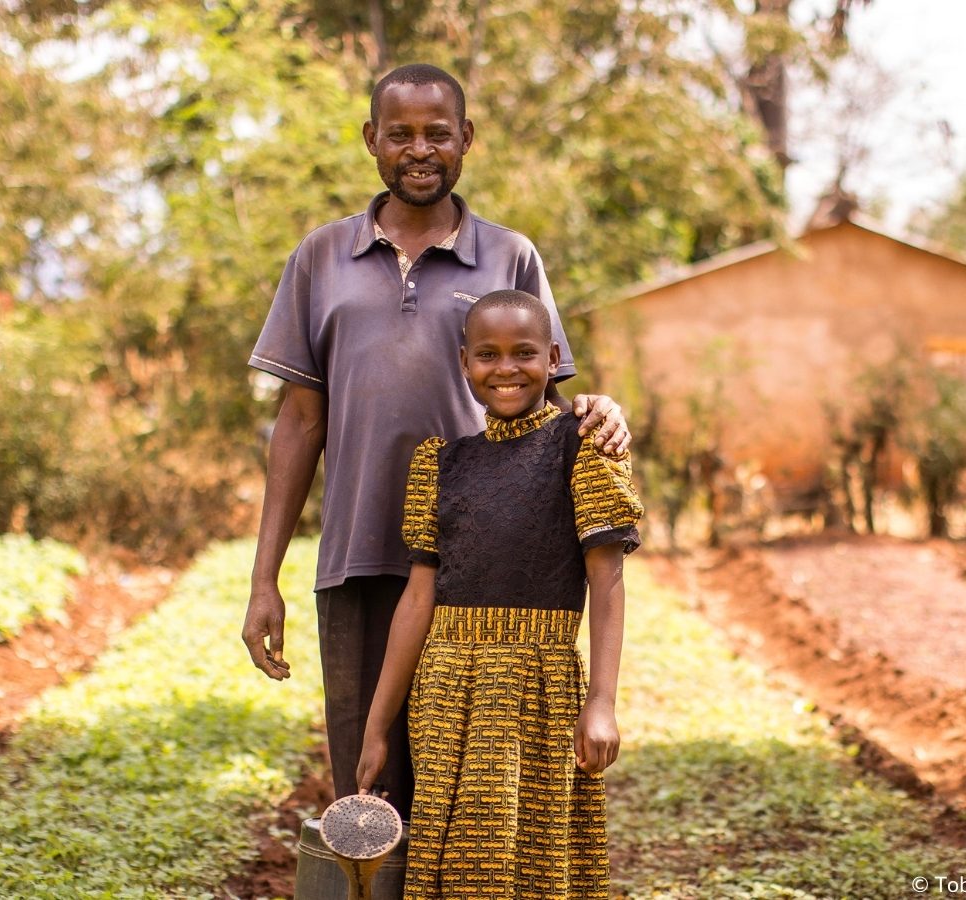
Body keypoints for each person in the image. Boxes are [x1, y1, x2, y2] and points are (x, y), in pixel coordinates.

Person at [242, 63, 631, 818]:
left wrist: (599, 405)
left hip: (485, 572)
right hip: (356, 558)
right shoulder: (320, 258)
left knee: (470, 791)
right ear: (371, 141)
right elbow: (298, 421)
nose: (419, 150)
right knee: (370, 788)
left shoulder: (510, 256)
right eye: (401, 135)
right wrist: (266, 577)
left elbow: (540, 392)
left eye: (437, 134)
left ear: (466, 141)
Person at [356, 289, 642, 898]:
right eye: (487, 354)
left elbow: (608, 580)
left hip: (536, 686)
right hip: (444, 689)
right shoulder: (440, 463)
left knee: (530, 855)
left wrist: (602, 703)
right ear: (464, 363)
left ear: (553, 357)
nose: (505, 368)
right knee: (453, 856)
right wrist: (378, 726)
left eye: (524, 353)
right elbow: (417, 599)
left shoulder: (582, 447)